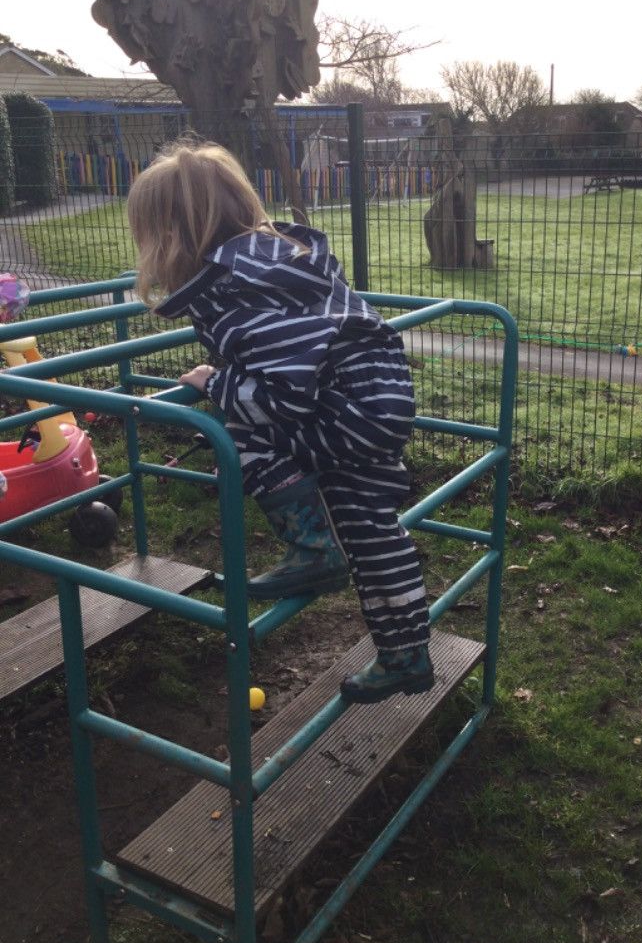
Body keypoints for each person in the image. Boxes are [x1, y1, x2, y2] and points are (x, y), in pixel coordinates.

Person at [126, 140, 433, 704]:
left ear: (171, 237)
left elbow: (283, 397)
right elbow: (293, 354)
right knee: (371, 528)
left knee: (237, 430)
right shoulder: (279, 259)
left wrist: (215, 384)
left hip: (345, 407)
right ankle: (406, 654)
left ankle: (313, 546)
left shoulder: (236, 292)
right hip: (373, 398)